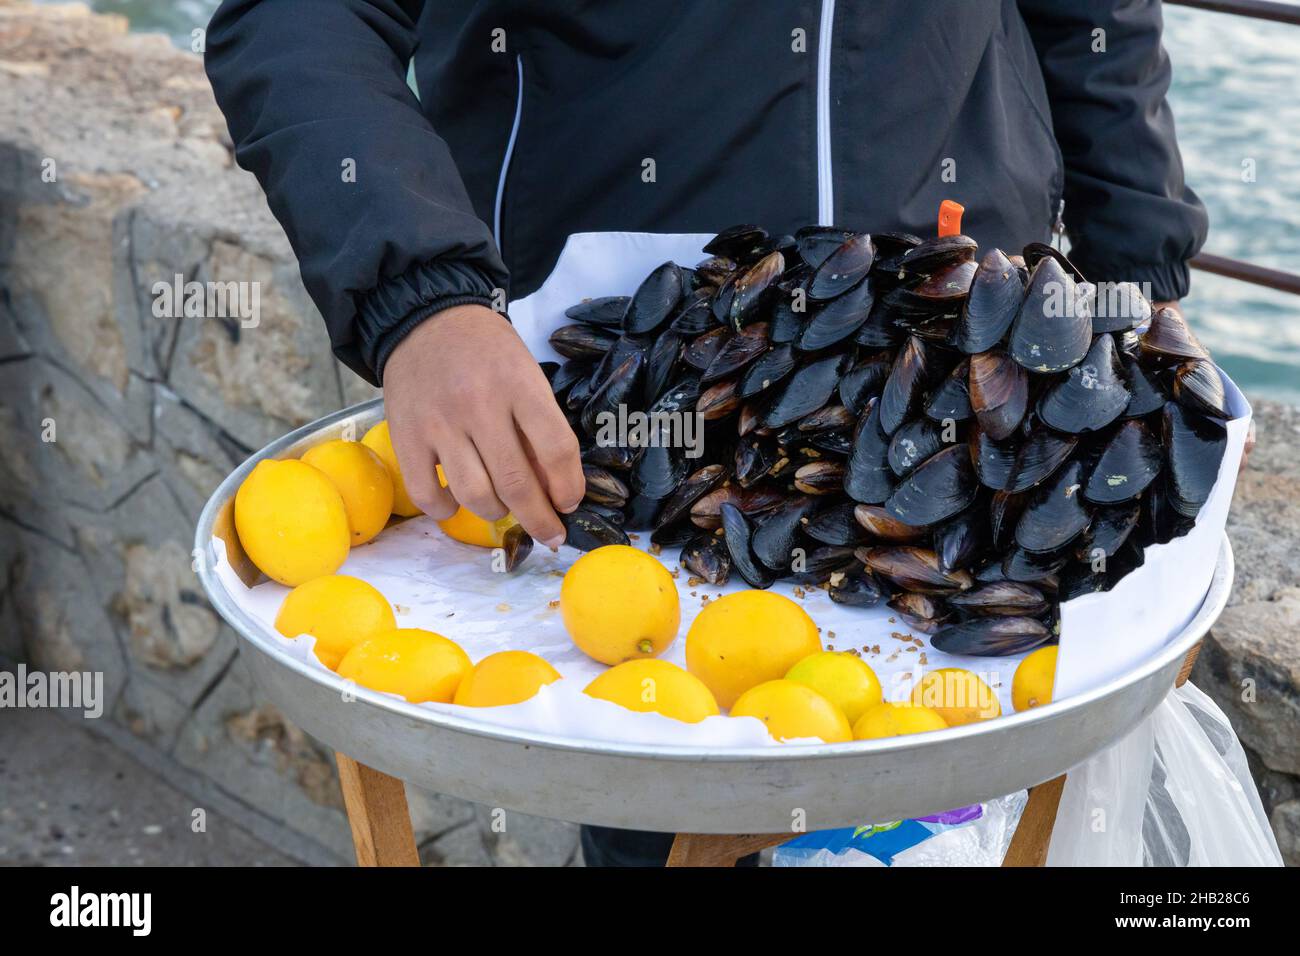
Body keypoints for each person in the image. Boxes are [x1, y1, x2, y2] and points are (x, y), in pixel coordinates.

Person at [205, 0, 1213, 866]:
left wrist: (1142, 296)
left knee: (947, 819)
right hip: (623, 391)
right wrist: (419, 296)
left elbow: (1097, 19)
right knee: (656, 801)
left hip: (949, 397)